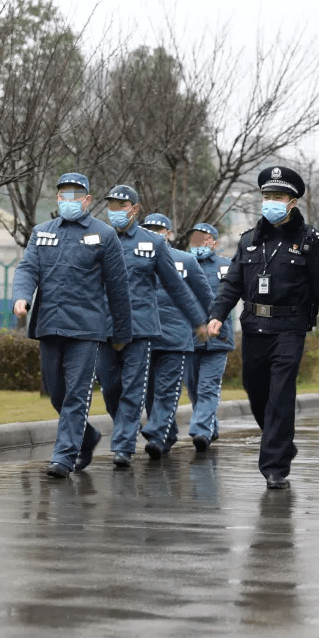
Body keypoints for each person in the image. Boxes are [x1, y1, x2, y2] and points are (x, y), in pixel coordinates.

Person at [207, 166, 319, 489]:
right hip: (255, 326)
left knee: (280, 394)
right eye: (266, 196)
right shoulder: (248, 242)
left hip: (289, 328)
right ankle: (281, 441)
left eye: (277, 197)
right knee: (256, 392)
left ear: (292, 202)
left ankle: (274, 467)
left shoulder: (310, 242)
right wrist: (217, 314)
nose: (270, 202)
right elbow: (231, 285)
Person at [12, 172, 133, 479]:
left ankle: (64, 457)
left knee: (77, 394)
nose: (68, 200)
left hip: (86, 329)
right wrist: (22, 297)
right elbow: (28, 268)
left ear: (87, 200)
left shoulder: (104, 235)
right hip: (49, 324)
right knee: (56, 393)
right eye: (63, 195)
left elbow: (118, 288)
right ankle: (88, 436)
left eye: (75, 195)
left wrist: (121, 332)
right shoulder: (42, 232)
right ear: (57, 198)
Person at [94, 186, 209, 468]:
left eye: (122, 205)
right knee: (111, 389)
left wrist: (198, 320)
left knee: (134, 389)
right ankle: (126, 429)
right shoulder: (96, 240)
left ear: (134, 209)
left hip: (140, 328)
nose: (116, 211)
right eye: (111, 205)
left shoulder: (153, 245)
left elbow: (176, 287)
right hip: (104, 327)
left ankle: (123, 447)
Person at [138, 213, 214, 459]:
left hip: (176, 336)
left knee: (167, 390)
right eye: (148, 228)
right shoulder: (137, 258)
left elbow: (204, 296)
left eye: (159, 229)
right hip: (145, 333)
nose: (153, 232)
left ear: (169, 234)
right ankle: (166, 433)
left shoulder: (186, 261)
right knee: (149, 392)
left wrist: (210, 323)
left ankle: (157, 434)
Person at [182, 222, 235, 452]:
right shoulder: (180, 264)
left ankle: (200, 430)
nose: (199, 244)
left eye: (204, 240)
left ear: (214, 243)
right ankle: (210, 428)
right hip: (189, 339)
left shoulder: (227, 266)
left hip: (218, 339)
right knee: (194, 389)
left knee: (208, 388)